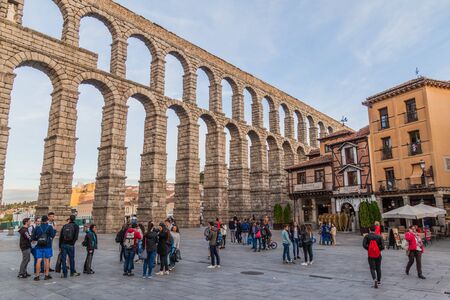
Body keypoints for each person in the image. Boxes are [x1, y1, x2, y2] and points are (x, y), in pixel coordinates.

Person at [32, 215, 56, 281]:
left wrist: (39, 239)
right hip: (47, 246)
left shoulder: (37, 227)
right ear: (47, 220)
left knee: (38, 260)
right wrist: (55, 230)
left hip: (39, 246)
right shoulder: (50, 227)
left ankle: (37, 276)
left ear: (42, 220)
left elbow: (33, 237)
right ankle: (46, 275)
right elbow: (53, 235)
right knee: (47, 260)